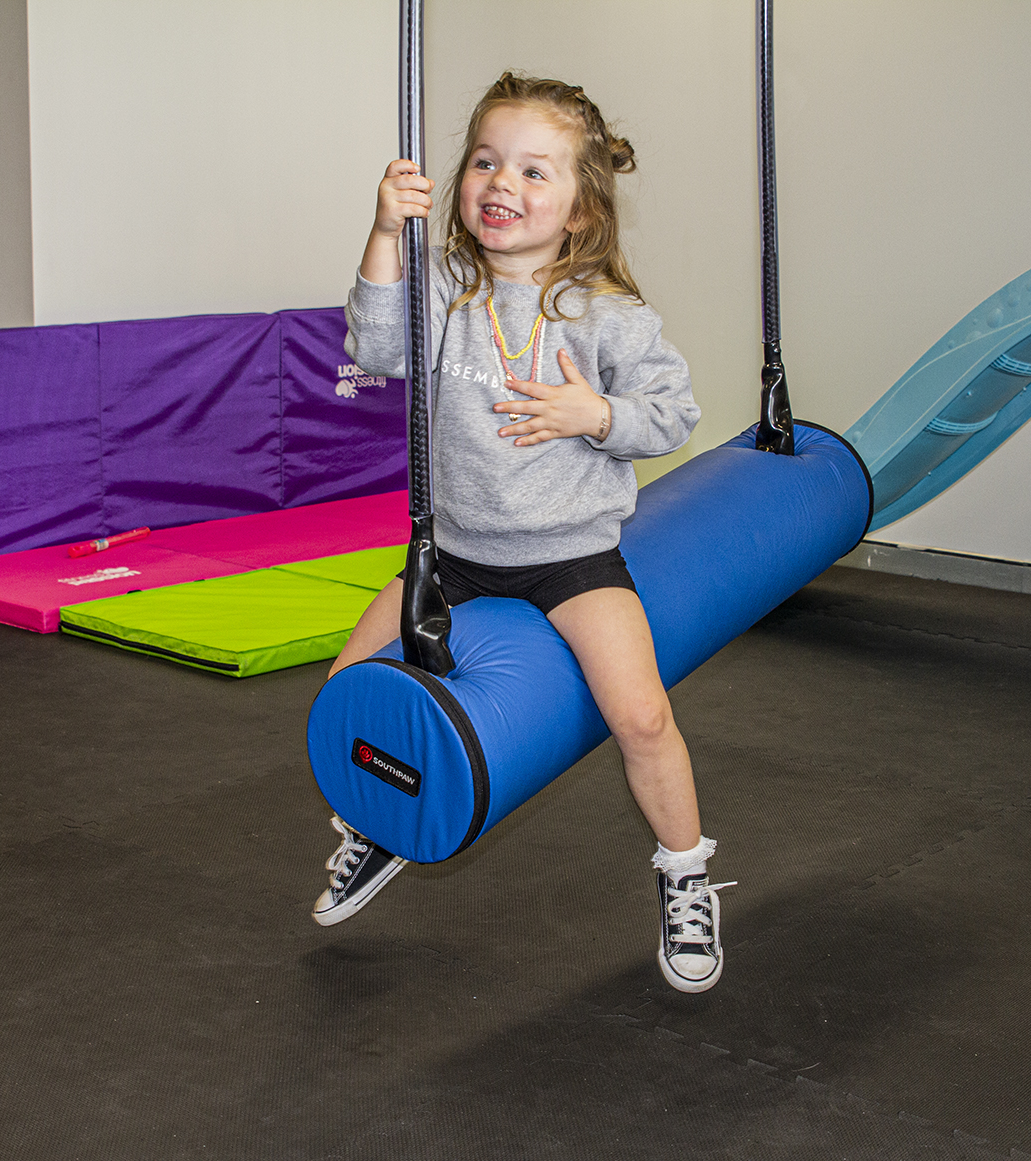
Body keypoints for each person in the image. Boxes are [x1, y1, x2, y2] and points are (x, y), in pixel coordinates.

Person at [312, 72, 734, 993]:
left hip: (570, 560)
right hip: (452, 556)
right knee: (349, 690)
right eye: (486, 161)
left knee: (643, 714)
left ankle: (686, 870)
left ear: (579, 210)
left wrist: (596, 414)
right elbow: (374, 351)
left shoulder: (608, 314)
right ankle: (381, 832)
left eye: (536, 172)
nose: (503, 182)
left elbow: (674, 414)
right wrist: (387, 231)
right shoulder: (445, 290)